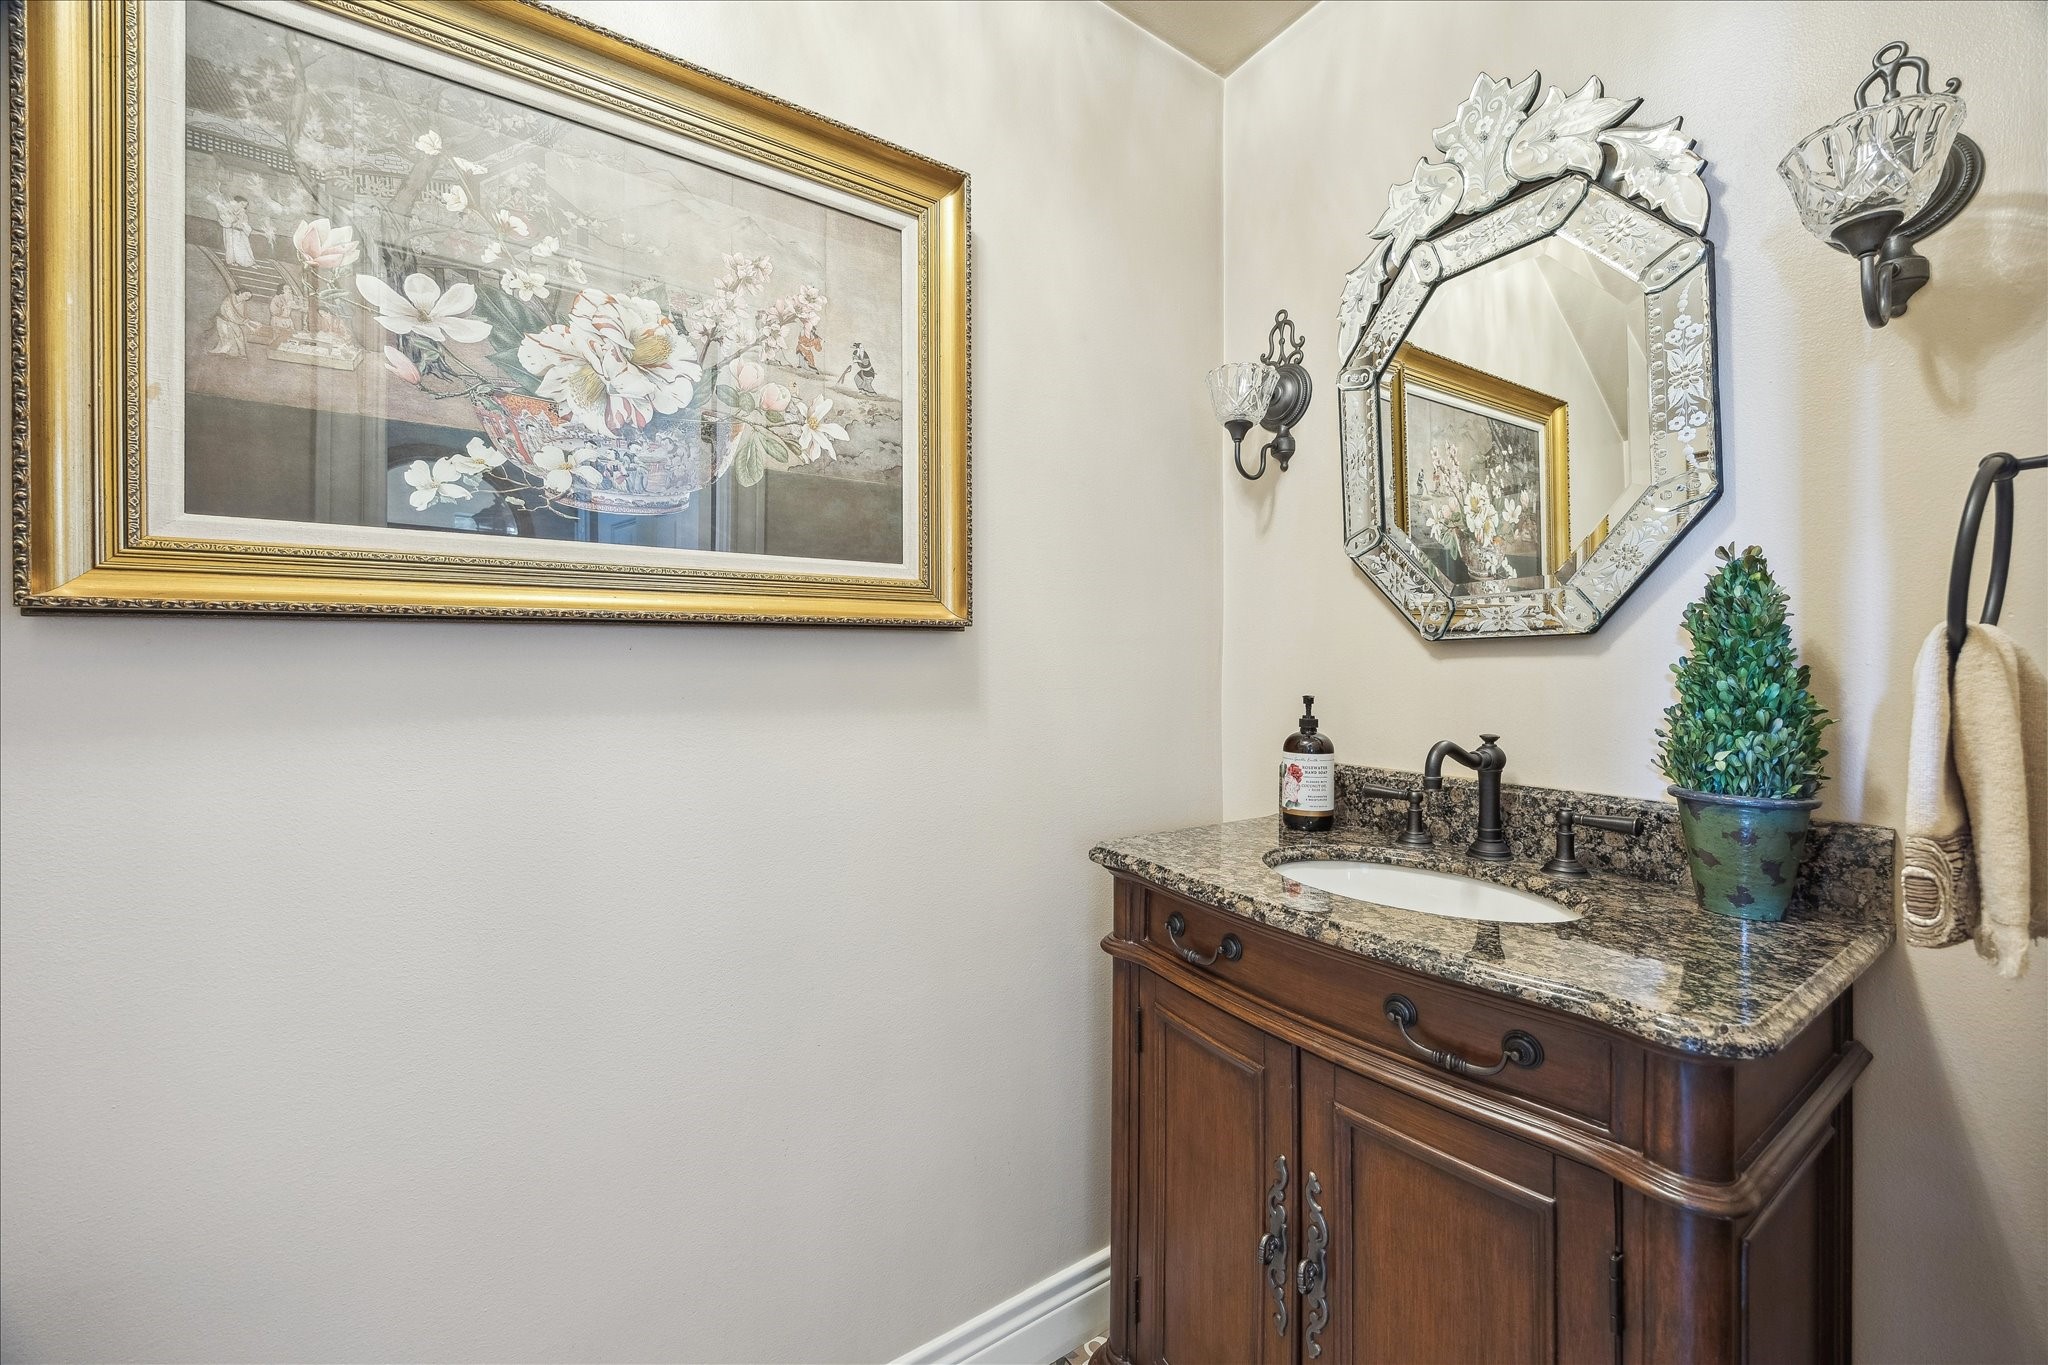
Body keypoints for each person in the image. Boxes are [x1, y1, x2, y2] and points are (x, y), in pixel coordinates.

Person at [208, 289, 255, 357]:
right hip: (223, 320)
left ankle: (242, 354)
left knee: (239, 335)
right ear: (240, 293)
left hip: (234, 321)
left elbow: (242, 316)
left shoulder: (243, 304)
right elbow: (229, 315)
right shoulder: (229, 299)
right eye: (246, 295)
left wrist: (251, 325)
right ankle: (230, 353)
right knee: (227, 336)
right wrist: (247, 324)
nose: (247, 298)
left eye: (249, 297)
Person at [217, 194, 255, 267]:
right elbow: (224, 219)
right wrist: (232, 222)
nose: (243, 206)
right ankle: (231, 261)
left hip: (239, 232)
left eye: (245, 205)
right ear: (236, 202)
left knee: (241, 246)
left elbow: (244, 223)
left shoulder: (243, 214)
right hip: (229, 231)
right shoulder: (228, 209)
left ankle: (244, 261)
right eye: (242, 204)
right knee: (230, 245)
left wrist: (242, 225)